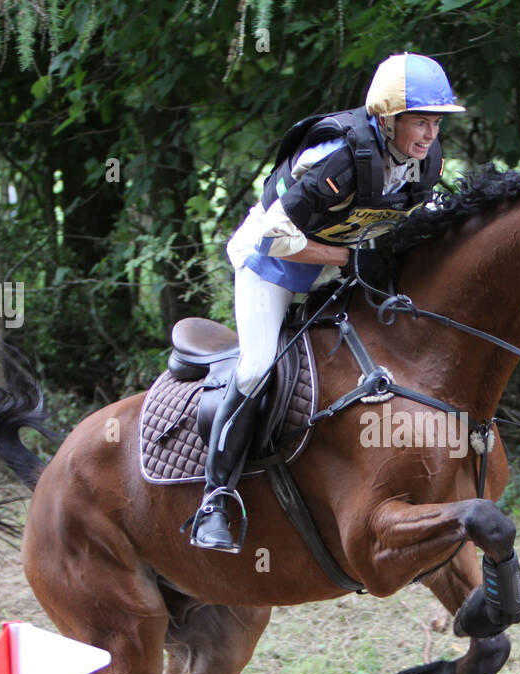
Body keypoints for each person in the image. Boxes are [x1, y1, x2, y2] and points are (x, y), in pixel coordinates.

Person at [193, 52, 466, 552]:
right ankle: (215, 498)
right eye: (419, 122)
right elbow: (275, 237)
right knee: (257, 367)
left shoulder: (425, 163)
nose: (429, 134)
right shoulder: (336, 156)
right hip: (271, 263)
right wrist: (348, 257)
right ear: (387, 117)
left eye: (435, 122)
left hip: (335, 266)